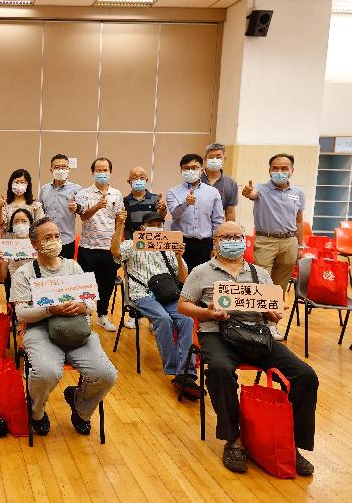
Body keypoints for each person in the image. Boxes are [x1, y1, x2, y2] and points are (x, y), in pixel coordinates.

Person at [177, 221, 317, 476]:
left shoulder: (259, 273)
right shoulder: (201, 272)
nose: (232, 240)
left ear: (245, 240)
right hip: (216, 333)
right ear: (216, 243)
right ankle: (233, 440)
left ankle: (290, 442)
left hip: (257, 335)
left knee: (306, 375)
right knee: (219, 370)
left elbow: (274, 310)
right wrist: (205, 312)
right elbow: (183, 305)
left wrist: (273, 313)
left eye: (237, 236)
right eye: (226, 236)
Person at [10, 218, 117, 437]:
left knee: (106, 374)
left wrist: (81, 306)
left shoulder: (73, 267)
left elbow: (91, 305)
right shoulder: (25, 272)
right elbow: (21, 313)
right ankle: (37, 411)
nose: (54, 241)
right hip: (40, 329)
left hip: (76, 328)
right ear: (34, 244)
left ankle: (81, 408)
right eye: (47, 237)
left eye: (57, 236)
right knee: (46, 372)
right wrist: (50, 310)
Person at [111, 211, 199, 398]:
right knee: (163, 319)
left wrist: (178, 257)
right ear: (143, 228)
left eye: (159, 225)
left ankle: (187, 373)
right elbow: (116, 252)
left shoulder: (168, 245)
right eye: (152, 224)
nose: (156, 228)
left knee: (186, 319)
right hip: (142, 293)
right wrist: (120, 225)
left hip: (168, 294)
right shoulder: (132, 244)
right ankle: (175, 370)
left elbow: (184, 279)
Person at [242, 153, 305, 341]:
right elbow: (251, 194)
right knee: (262, 283)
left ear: (292, 171)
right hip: (265, 241)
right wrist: (248, 192)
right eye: (275, 168)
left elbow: (299, 220)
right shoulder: (260, 189)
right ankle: (255, 324)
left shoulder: (298, 193)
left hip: (290, 241)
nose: (279, 172)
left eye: (284, 168)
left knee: (280, 287)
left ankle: (272, 325)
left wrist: (300, 245)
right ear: (269, 170)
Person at [75, 157, 123, 332]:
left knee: (106, 284)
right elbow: (84, 216)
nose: (102, 173)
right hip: (88, 247)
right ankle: (86, 315)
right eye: (99, 171)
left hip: (109, 248)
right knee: (87, 285)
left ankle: (102, 316)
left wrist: (117, 246)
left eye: (105, 170)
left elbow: (119, 220)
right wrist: (97, 206)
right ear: (92, 173)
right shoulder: (84, 193)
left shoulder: (117, 194)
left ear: (110, 172)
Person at [166, 154, 225, 272]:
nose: (190, 171)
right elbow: (174, 215)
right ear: (181, 171)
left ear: (201, 170)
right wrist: (185, 203)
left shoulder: (212, 192)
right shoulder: (173, 192)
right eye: (186, 168)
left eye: (194, 168)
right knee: (180, 279)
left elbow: (217, 221)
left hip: (205, 244)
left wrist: (216, 246)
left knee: (204, 279)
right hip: (181, 243)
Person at [38, 154, 82, 259]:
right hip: (47, 240)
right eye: (57, 167)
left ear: (69, 169)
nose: (60, 170)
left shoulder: (77, 189)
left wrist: (77, 207)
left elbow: (83, 210)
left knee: (65, 273)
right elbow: (40, 213)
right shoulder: (44, 189)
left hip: (66, 240)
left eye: (64, 167)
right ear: (51, 169)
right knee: (47, 272)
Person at [0, 208, 35, 302]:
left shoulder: (38, 244)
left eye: (24, 221)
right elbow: (0, 279)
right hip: (16, 288)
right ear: (12, 225)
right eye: (16, 222)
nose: (20, 224)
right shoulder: (7, 246)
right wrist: (0, 263)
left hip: (37, 287)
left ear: (31, 224)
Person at [0, 169, 44, 235]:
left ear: (27, 185)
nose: (19, 185)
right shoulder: (5, 204)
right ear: (11, 184)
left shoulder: (35, 206)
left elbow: (41, 227)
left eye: (22, 182)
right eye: (16, 182)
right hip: (9, 242)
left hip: (29, 243)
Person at [123, 166, 167, 240]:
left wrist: (163, 208)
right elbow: (125, 224)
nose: (138, 180)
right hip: (132, 241)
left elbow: (160, 218)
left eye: (142, 177)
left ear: (146, 180)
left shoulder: (155, 198)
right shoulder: (125, 201)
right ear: (129, 182)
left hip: (152, 239)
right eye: (134, 178)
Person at [202, 143, 239, 222]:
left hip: (217, 228)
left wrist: (231, 231)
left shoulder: (231, 184)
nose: (214, 160)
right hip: (195, 229)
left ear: (224, 159)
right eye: (211, 157)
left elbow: (230, 211)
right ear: (205, 159)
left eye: (218, 157)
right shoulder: (196, 179)